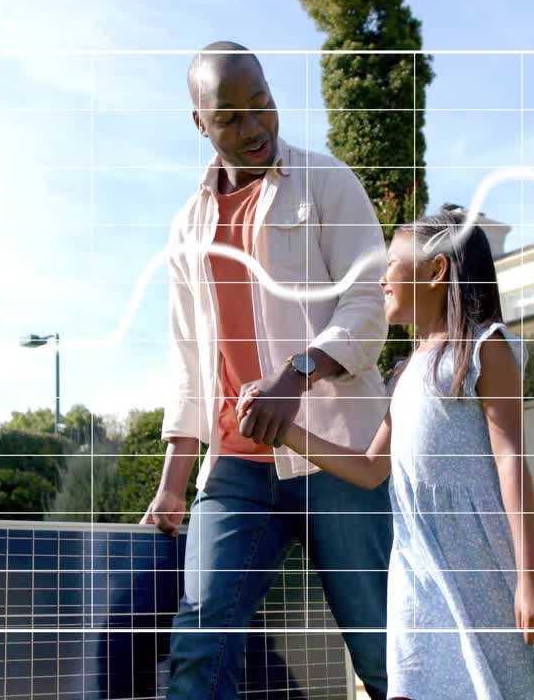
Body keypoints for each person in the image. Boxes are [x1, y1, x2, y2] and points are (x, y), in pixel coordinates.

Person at [239, 210, 534, 699]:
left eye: (391, 264)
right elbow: (370, 469)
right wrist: (285, 431)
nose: (381, 279)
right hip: (416, 568)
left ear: (436, 271)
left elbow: (511, 461)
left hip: (478, 563)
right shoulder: (405, 372)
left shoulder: (485, 348)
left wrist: (533, 579)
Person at [140, 41, 393, 699]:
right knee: (199, 649)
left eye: (263, 105)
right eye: (229, 118)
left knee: (385, 655)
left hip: (337, 458)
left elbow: (369, 304)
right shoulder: (186, 227)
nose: (254, 127)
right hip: (234, 472)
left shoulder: (327, 182)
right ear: (200, 122)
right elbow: (190, 359)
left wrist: (296, 374)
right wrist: (173, 484)